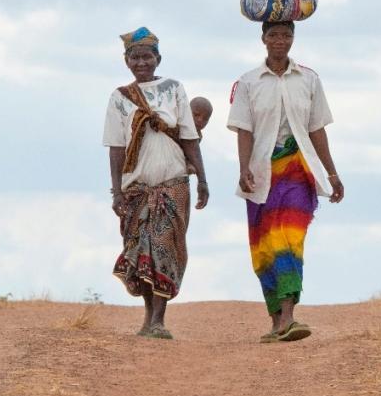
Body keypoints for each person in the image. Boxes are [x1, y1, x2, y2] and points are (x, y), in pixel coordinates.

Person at [227, 21, 344, 343]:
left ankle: (290, 317)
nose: (280, 41)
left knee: (287, 238)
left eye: (286, 35)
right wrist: (243, 169)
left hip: (297, 170)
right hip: (262, 175)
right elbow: (244, 130)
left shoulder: (308, 79)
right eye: (274, 35)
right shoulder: (249, 83)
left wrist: (332, 174)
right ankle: (277, 320)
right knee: (263, 248)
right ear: (263, 38)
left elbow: (317, 129)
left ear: (293, 38)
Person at [103, 27, 209, 340]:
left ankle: (159, 320)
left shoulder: (174, 89)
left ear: (157, 58)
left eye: (147, 56)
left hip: (173, 184)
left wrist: (202, 178)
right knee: (140, 251)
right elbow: (116, 147)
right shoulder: (120, 99)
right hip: (136, 188)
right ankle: (149, 316)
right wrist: (116, 190)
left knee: (165, 248)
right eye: (134, 57)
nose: (141, 62)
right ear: (126, 61)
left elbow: (189, 137)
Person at [187, 97, 213, 175]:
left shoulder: (198, 136)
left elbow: (192, 154)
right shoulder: (177, 126)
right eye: (196, 115)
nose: (200, 120)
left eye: (205, 119)